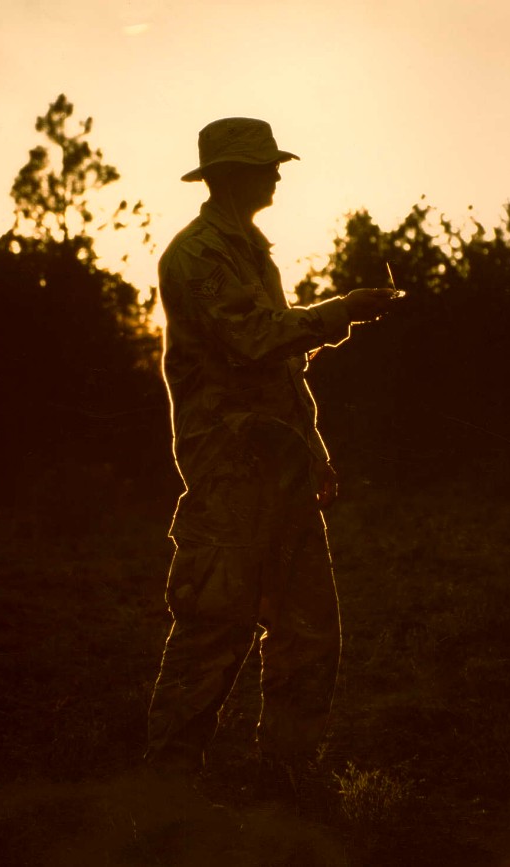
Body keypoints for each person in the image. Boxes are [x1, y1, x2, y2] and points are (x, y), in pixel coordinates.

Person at [146, 117, 395, 791]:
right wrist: (345, 307)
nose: (278, 174)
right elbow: (255, 340)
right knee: (213, 630)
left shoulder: (251, 252)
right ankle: (163, 799)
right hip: (228, 468)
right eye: (266, 166)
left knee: (310, 632)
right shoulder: (198, 254)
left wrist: (313, 451)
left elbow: (276, 372)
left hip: (276, 464)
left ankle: (285, 786)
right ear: (233, 176)